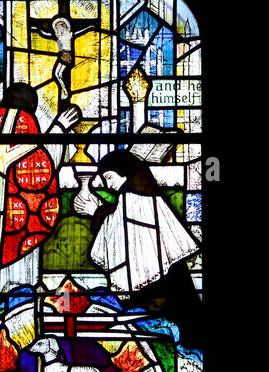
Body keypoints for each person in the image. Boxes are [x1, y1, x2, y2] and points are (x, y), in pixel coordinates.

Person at [73, 149, 204, 349]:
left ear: (124, 173)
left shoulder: (133, 196)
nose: (107, 184)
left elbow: (119, 231)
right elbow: (122, 224)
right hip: (164, 279)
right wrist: (100, 209)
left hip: (158, 286)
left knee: (173, 330)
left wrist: (96, 211)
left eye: (109, 177)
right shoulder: (142, 193)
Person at [0, 84, 80, 304]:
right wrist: (60, 127)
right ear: (31, 105)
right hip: (19, 225)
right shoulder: (25, 124)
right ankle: (22, 311)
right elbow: (45, 163)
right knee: (22, 288)